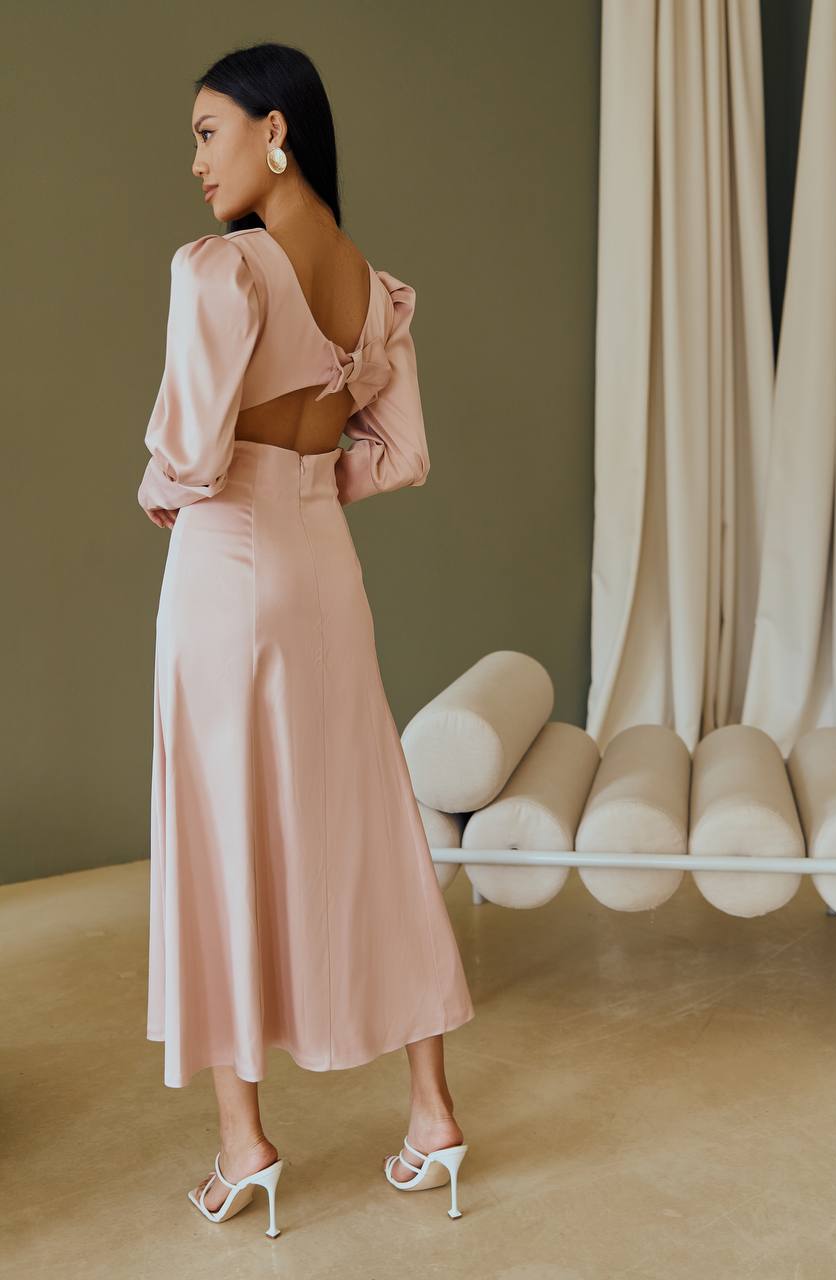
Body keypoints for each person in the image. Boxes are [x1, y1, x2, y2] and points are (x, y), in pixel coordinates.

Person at [138, 42, 475, 1232]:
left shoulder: (222, 271)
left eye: (208, 132)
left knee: (222, 835)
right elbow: (404, 451)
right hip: (327, 570)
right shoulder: (372, 286)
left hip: (229, 573)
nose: (196, 162)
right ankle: (431, 1113)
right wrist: (312, 481)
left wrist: (166, 483)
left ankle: (245, 1144)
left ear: (273, 131)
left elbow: (185, 458)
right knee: (369, 825)